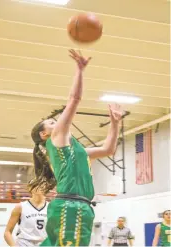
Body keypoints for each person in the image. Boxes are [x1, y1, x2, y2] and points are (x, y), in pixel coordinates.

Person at [30, 49, 123, 246]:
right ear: (43, 134)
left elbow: (108, 150)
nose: (57, 123)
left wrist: (115, 124)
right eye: (52, 122)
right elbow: (74, 100)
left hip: (76, 205)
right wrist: (79, 70)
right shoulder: (56, 139)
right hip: (71, 206)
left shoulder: (77, 151)